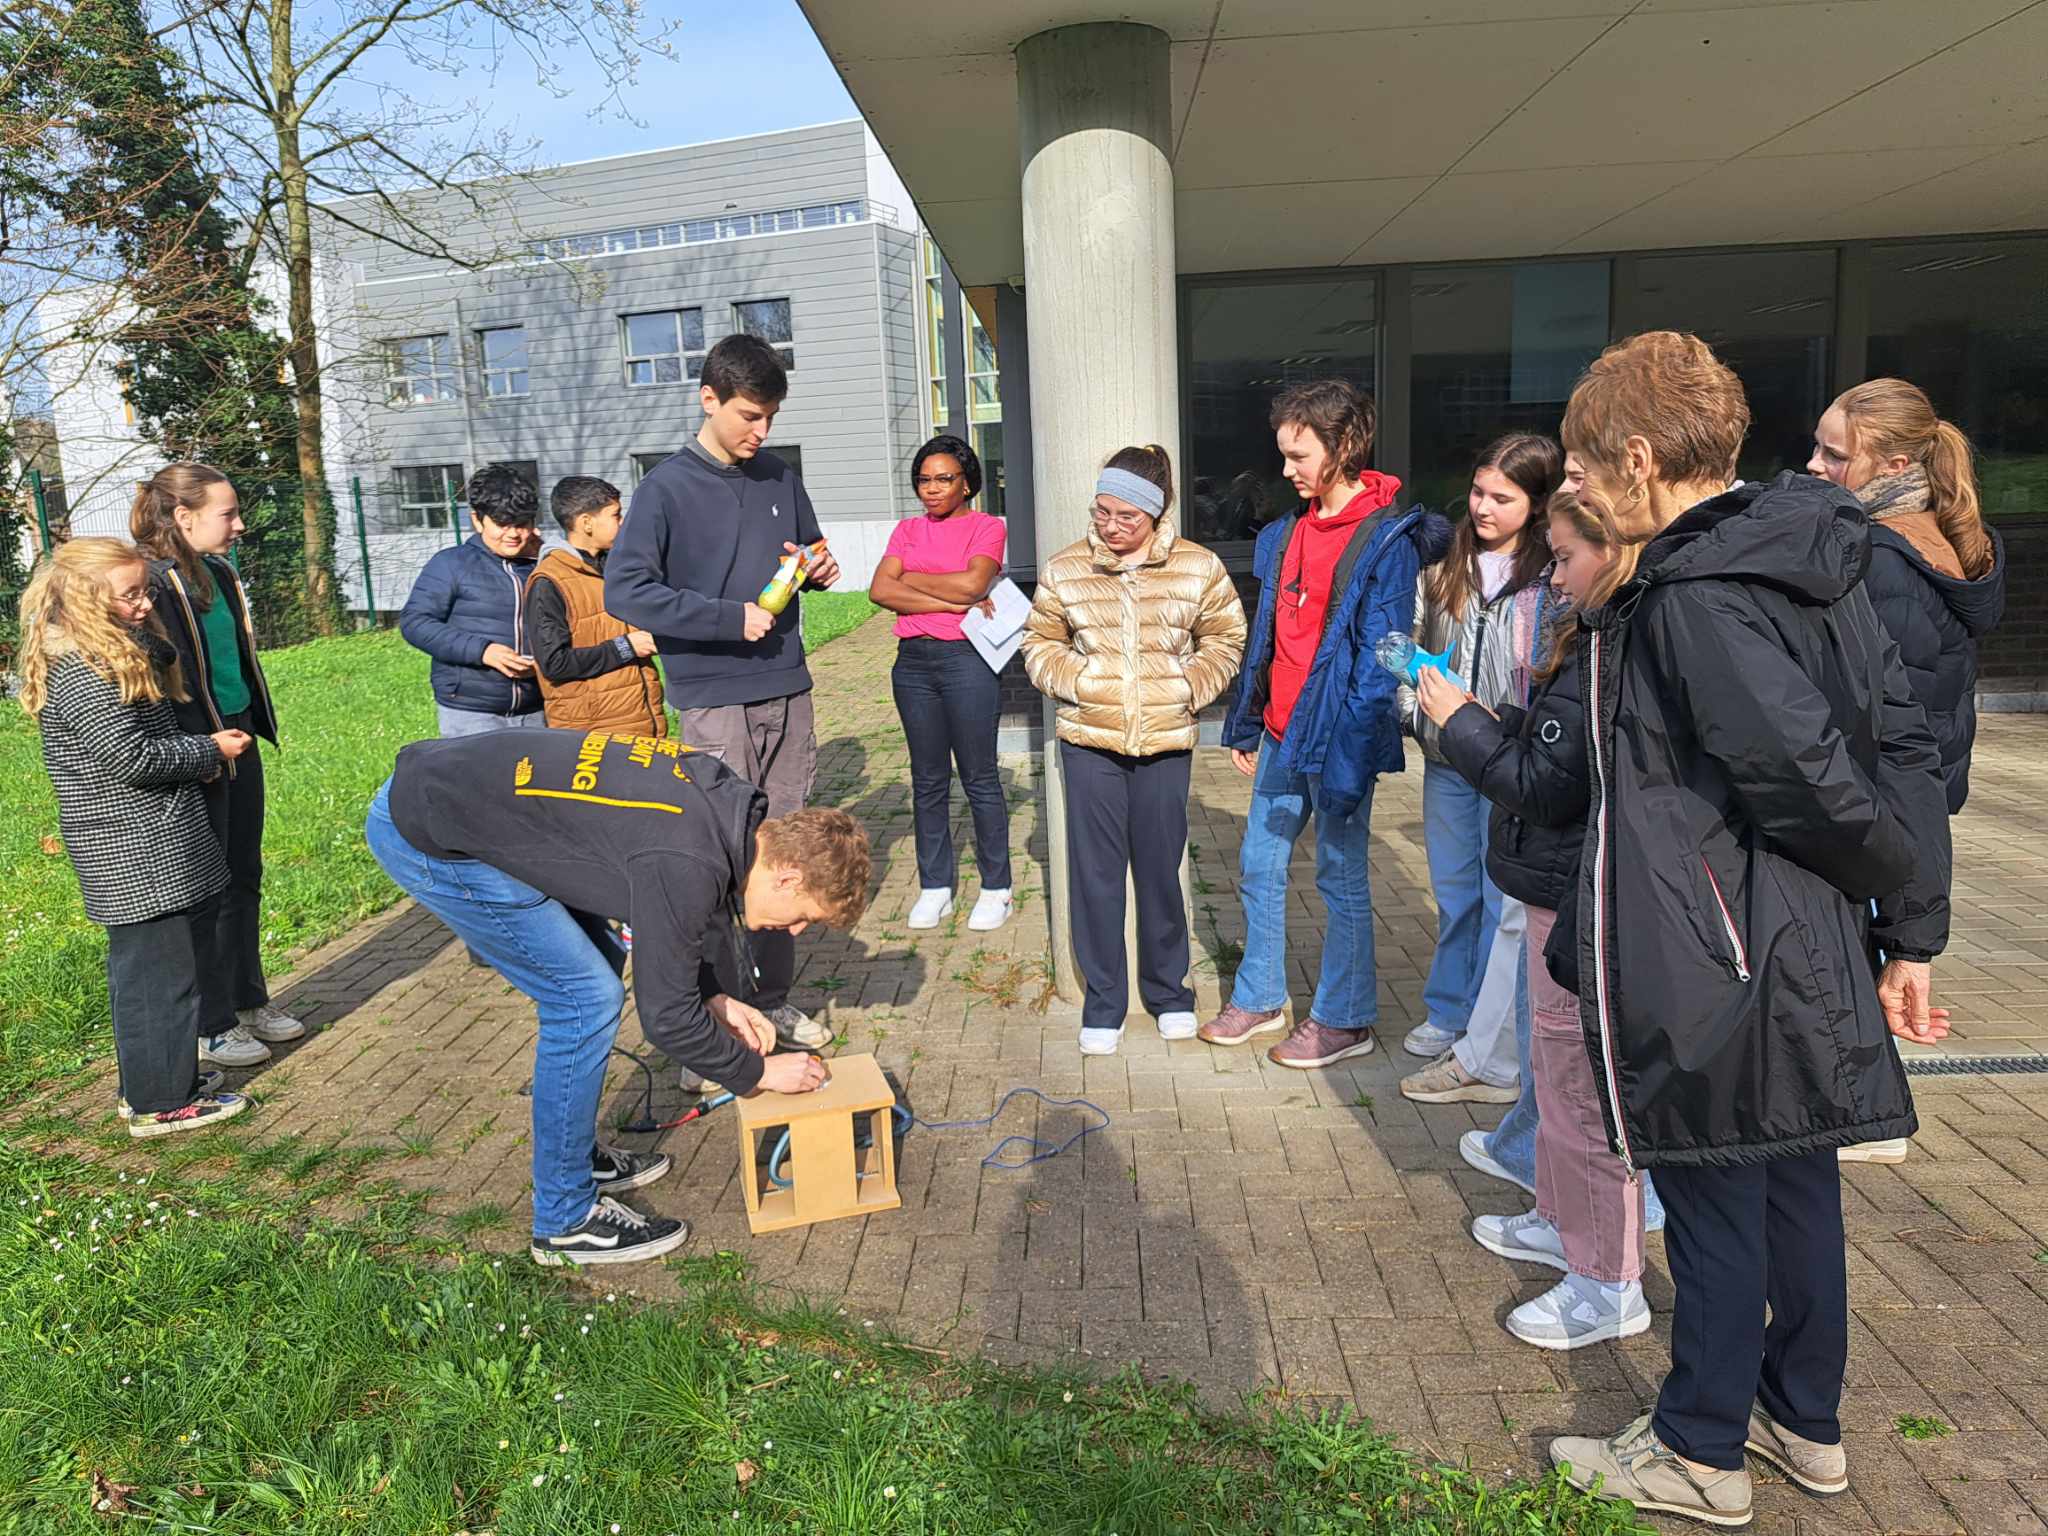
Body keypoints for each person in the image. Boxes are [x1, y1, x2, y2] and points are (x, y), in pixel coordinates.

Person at [1546, 331, 1953, 1525]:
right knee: (1792, 1191)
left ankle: (1699, 1449)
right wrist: (1905, 929)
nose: (1575, 486)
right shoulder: (1807, 551)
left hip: (1719, 953)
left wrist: (1885, 891)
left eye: (1584, 466)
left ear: (1636, 457)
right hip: (1797, 937)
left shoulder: (1693, 593)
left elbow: (1808, 779)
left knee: (1719, 1203)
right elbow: (1903, 745)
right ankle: (1799, 1420)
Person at [366, 728, 870, 1264]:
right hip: (432, 830)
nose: (796, 931)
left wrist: (714, 996)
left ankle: (573, 1157)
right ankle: (564, 1220)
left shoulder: (731, 813)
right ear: (788, 878)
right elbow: (666, 1016)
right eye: (806, 917)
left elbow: (668, 911)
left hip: (461, 792)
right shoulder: (685, 855)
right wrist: (758, 1073)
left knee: (600, 960)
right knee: (584, 1000)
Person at [1417, 489, 1649, 1351]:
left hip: (1575, 888)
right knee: (1553, 1079)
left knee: (1584, 1094)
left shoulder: (1611, 638)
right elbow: (1557, 747)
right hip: (1553, 887)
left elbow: (1549, 787)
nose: (1551, 576)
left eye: (1564, 558)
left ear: (1612, 553)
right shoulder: (1585, 630)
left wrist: (1462, 728)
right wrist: (1496, 720)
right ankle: (1560, 1220)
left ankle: (1608, 1283)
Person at [1202, 380, 1449, 1067]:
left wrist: (1355, 750)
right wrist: (1246, 722)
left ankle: (1345, 1019)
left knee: (1339, 876)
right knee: (1258, 863)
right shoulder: (1287, 532)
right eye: (1283, 454)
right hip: (1281, 731)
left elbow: (1383, 657)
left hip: (1339, 735)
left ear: (1343, 447)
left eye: (1298, 454)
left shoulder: (1387, 539)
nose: (1286, 469)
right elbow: (1267, 637)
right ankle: (1259, 996)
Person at [607, 332, 841, 1054]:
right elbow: (627, 591)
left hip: (787, 686)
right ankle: (714, 1021)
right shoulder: (665, 489)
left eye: (770, 417)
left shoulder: (777, 477)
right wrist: (724, 619)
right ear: (708, 399)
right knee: (716, 859)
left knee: (783, 854)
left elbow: (805, 550)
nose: (760, 432)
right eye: (748, 416)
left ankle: (771, 1003)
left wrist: (818, 567)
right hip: (713, 698)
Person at [1809, 380, 2005, 1167]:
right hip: (1903, 797)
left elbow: (1886, 718)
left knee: (1857, 961)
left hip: (1881, 801)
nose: (1815, 465)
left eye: (1834, 454)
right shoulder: (1923, 536)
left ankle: (1867, 1116)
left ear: (1892, 464)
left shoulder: (1884, 559)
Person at [20, 538, 252, 1139]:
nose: (146, 603)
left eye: (145, 590)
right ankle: (161, 1103)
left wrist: (142, 632)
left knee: (157, 975)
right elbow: (131, 758)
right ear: (85, 599)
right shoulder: (82, 671)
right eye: (131, 595)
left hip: (151, 840)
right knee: (159, 981)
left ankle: (149, 1084)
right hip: (132, 849)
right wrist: (208, 750)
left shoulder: (107, 652)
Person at [1021, 445, 1245, 1056]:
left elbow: (1226, 637)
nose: (1111, 526)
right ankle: (1104, 1003)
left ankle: (1170, 993)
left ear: (1156, 513)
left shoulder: (1197, 567)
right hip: (1090, 741)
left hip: (1166, 741)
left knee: (1160, 871)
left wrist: (1186, 687)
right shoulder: (1066, 568)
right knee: (1095, 876)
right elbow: (1039, 642)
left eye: (1127, 516)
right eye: (1102, 512)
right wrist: (1081, 682)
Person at [1397, 435, 1561, 1102]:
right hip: (1446, 760)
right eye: (1477, 492)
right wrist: (1416, 714)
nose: (1483, 508)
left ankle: (1492, 1038)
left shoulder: (1553, 576)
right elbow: (1404, 649)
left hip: (1509, 760)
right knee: (1455, 893)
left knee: (1503, 903)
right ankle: (1449, 1011)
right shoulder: (1444, 567)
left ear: (1537, 503)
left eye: (1503, 497)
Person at [130, 464, 302, 1071]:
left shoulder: (221, 573)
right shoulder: (150, 584)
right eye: (227, 514)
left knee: (243, 875)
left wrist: (247, 724)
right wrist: (196, 748)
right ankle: (213, 1023)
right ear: (184, 517)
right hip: (196, 753)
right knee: (206, 889)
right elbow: (149, 679)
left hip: (239, 736)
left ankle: (249, 999)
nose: (240, 524)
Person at [868, 434, 1012, 932]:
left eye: (944, 479)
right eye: (924, 480)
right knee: (927, 779)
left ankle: (997, 887)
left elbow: (975, 583)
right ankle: (935, 887)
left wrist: (910, 580)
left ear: (966, 483)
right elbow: (879, 590)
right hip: (912, 665)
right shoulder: (907, 529)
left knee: (979, 777)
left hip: (966, 661)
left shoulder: (987, 527)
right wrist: (951, 601)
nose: (931, 489)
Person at [400, 463, 547, 738]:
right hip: (470, 711)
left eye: (522, 524)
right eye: (502, 524)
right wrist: (483, 652)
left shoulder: (545, 566)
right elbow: (415, 623)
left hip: (538, 707)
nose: (513, 534)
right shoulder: (451, 564)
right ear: (478, 520)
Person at [525, 475, 666, 737]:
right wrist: (626, 647)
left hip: (640, 722)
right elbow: (554, 663)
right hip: (594, 735)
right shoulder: (549, 581)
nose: (623, 522)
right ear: (586, 523)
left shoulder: (617, 568)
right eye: (616, 515)